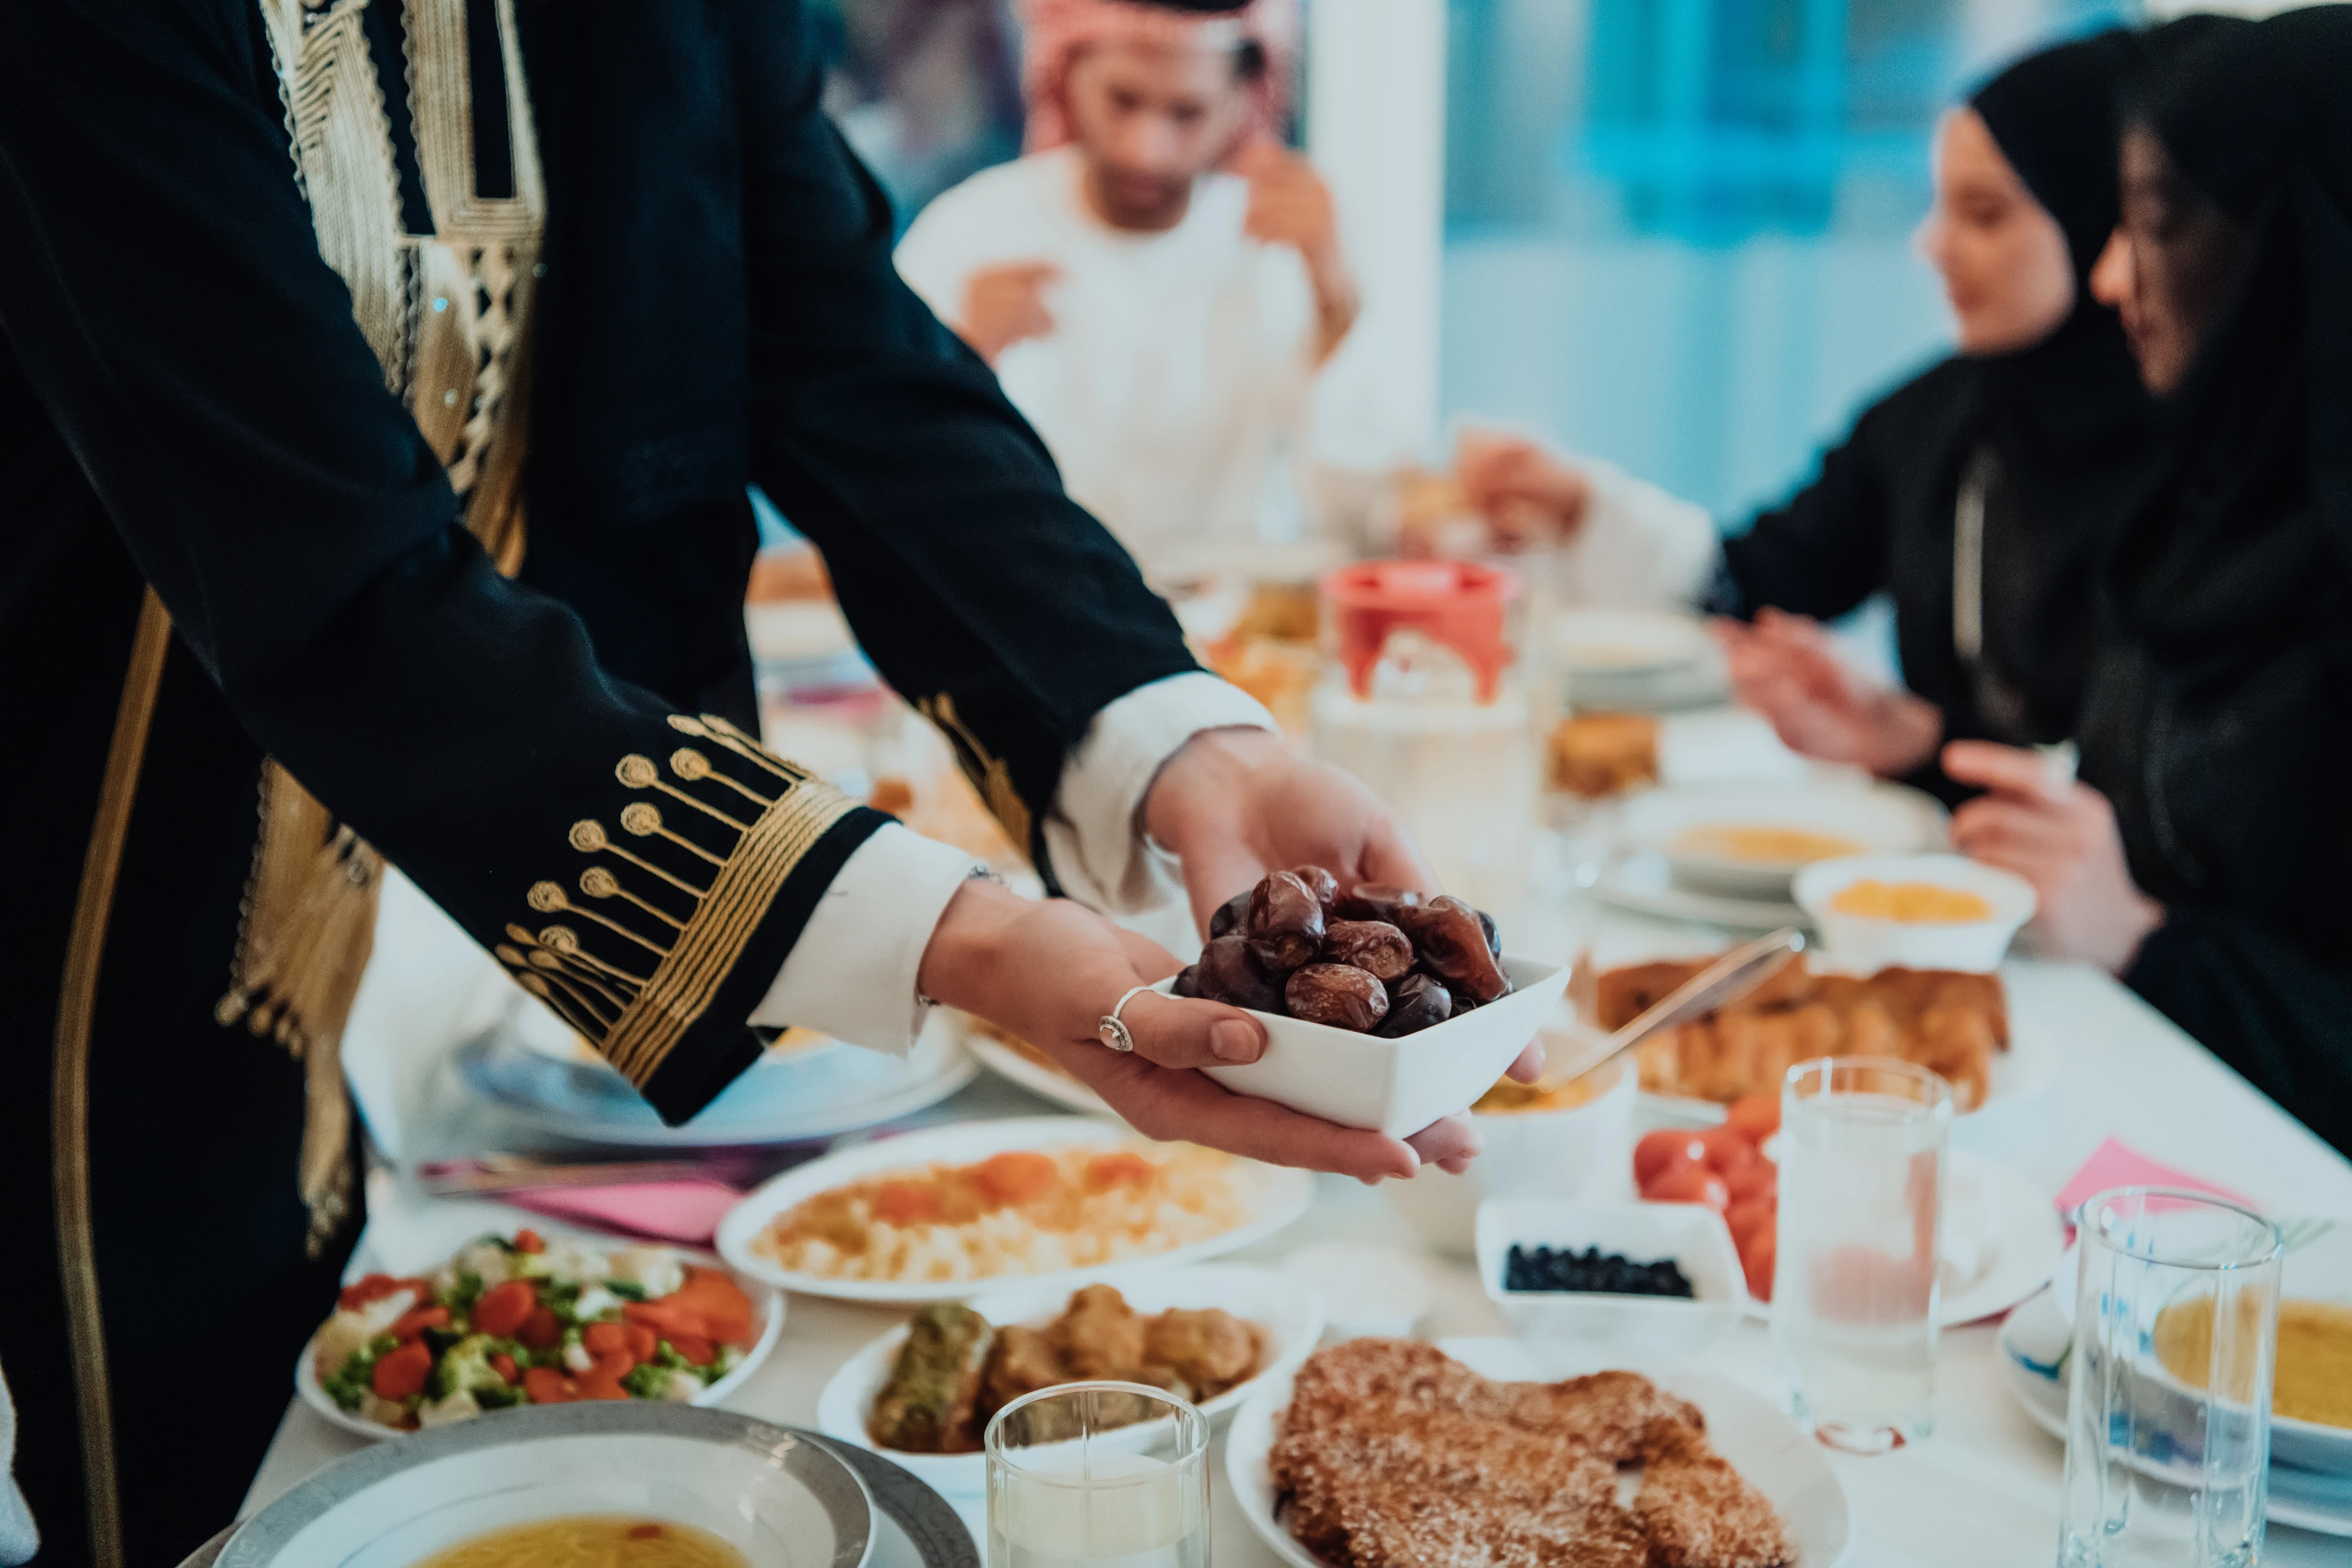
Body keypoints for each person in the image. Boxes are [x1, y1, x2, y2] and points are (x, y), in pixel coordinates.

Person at [0, 4, 1520, 1561]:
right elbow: (330, 575)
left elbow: (843, 346)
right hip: (76, 912)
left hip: (357, 895)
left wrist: (1183, 738)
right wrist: (971, 938)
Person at [1457, 30, 2174, 797]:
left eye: (1986, 214)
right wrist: (1581, 505)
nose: (1933, 245)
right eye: (1940, 205)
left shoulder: (2199, 463)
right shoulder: (1933, 416)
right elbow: (1759, 582)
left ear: (2105, 217)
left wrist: (1918, 740)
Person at [1942, 5, 2352, 1156]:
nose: (2113, 273)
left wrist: (2154, 944)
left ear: (2308, 248)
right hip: (2132, 1153)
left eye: (2163, 223)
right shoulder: (2208, 513)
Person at [893, 0, 1360, 581]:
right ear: (1063, 75)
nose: (1148, 149)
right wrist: (959, 360)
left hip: (1232, 637)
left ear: (1242, 102)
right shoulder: (968, 234)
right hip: (1023, 622)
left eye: (1186, 113)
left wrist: (1336, 307)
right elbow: (878, 485)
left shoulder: (1279, 240)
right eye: (1123, 101)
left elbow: (1356, 502)